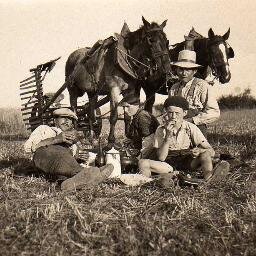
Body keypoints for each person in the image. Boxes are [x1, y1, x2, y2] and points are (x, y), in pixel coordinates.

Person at [24, 107, 113, 191]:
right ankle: (86, 173)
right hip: (44, 160)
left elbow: (68, 161)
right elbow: (28, 148)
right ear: (55, 120)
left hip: (59, 171)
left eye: (70, 119)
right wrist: (55, 139)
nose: (67, 121)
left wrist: (79, 159)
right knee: (56, 151)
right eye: (63, 117)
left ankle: (68, 183)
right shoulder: (45, 129)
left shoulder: (72, 142)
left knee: (67, 157)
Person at [138, 96, 215, 181]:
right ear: (166, 112)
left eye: (177, 113)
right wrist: (167, 136)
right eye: (170, 112)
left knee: (206, 154)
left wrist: (200, 150)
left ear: (185, 113)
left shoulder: (191, 127)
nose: (173, 116)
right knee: (143, 163)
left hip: (187, 161)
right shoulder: (161, 130)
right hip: (167, 165)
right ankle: (150, 182)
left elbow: (211, 151)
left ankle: (209, 178)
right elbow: (161, 158)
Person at [169, 49, 220, 136]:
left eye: (188, 70)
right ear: (176, 70)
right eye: (181, 69)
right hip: (176, 130)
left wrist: (193, 120)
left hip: (196, 130)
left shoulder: (203, 86)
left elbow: (214, 112)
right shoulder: (174, 88)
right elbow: (169, 110)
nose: (184, 73)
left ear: (194, 71)